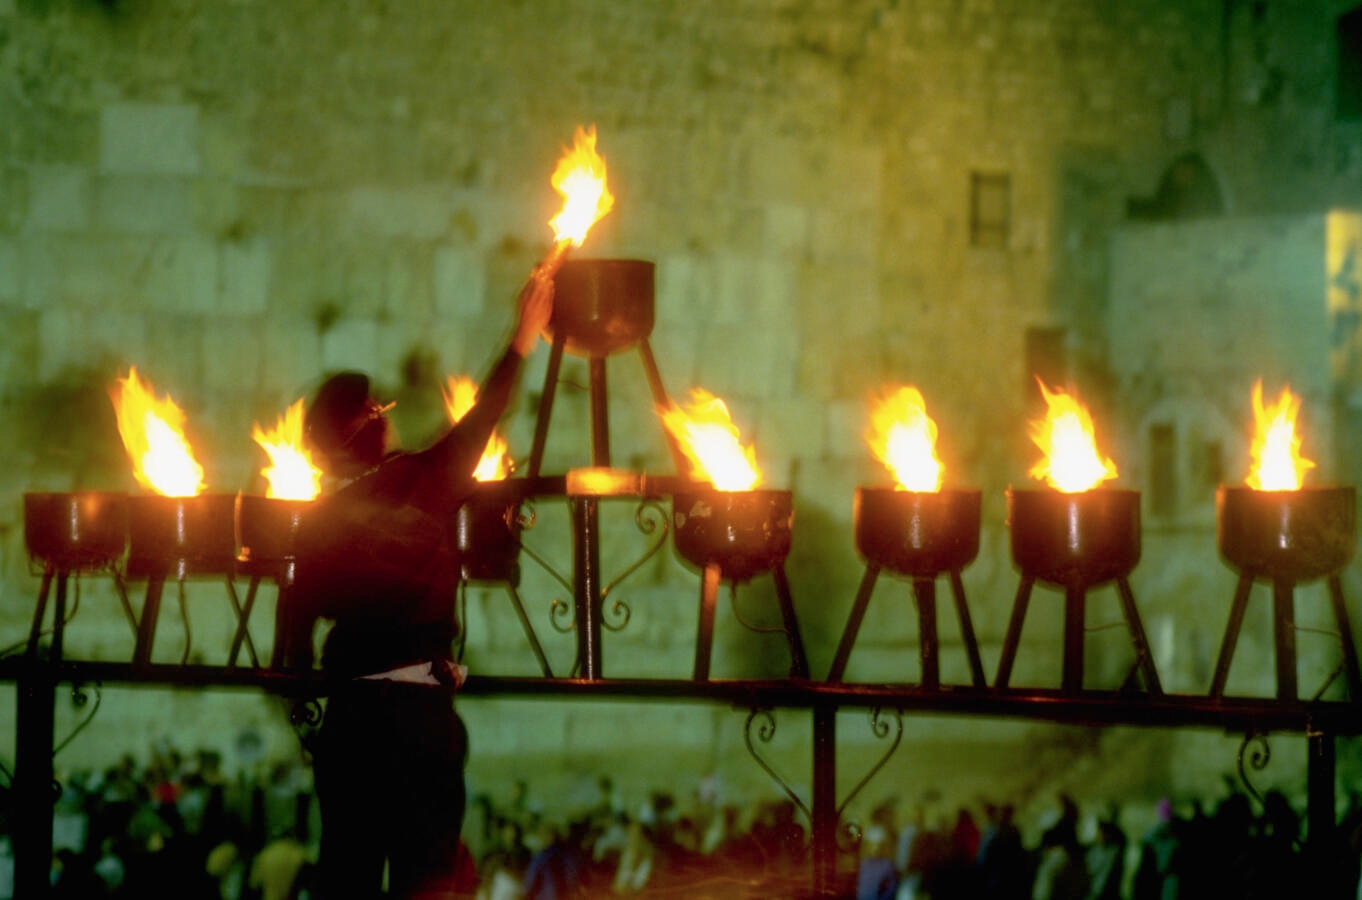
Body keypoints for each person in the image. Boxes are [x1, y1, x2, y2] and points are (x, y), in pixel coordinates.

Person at [287, 269, 554, 899]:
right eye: (380, 409)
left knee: (347, 879)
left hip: (349, 726)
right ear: (369, 426)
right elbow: (487, 413)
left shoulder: (312, 525)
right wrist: (522, 338)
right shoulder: (423, 480)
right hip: (418, 725)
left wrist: (313, 721)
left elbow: (293, 641)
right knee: (427, 884)